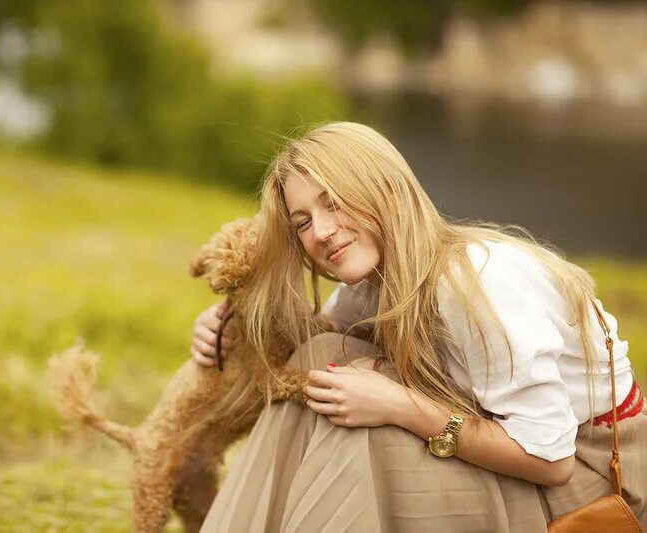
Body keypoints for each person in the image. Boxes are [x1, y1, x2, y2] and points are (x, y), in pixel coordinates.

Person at [190, 122, 645, 532]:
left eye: (334, 202)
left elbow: (552, 461)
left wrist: (403, 406)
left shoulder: (477, 285)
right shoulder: (374, 278)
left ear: (387, 190)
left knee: (364, 437)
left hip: (594, 480)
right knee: (322, 359)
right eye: (303, 222)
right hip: (514, 451)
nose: (322, 231)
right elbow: (312, 339)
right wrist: (231, 326)